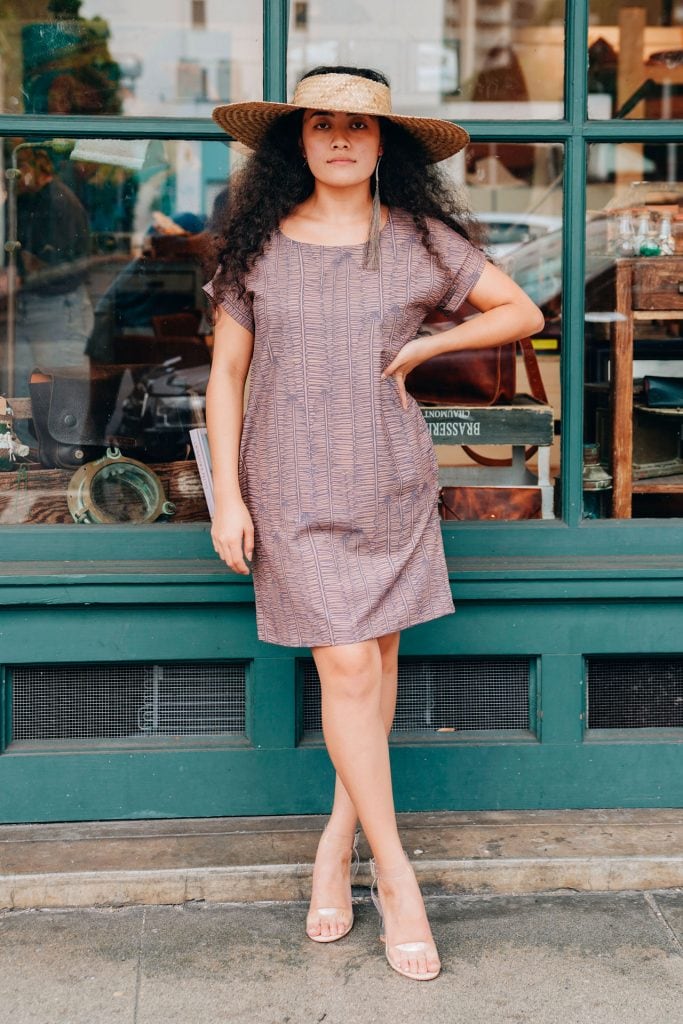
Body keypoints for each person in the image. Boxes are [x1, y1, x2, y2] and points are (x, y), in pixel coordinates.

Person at [204, 66, 544, 982]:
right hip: (287, 487)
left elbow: (521, 310)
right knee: (349, 664)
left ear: (384, 142)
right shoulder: (257, 246)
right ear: (298, 142)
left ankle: (331, 846)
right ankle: (397, 879)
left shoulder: (422, 241)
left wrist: (433, 340)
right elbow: (226, 378)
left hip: (387, 480)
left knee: (375, 667)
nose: (342, 139)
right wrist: (228, 499)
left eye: (359, 125)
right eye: (323, 125)